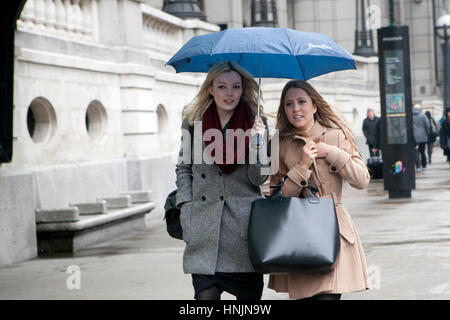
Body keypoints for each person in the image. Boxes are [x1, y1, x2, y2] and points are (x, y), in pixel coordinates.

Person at [175, 61, 270, 300]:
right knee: (205, 299)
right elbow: (184, 167)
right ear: (210, 89)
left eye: (236, 87)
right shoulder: (193, 120)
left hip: (242, 229)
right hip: (204, 225)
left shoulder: (257, 121)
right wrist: (186, 206)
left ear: (243, 89)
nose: (229, 93)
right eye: (222, 86)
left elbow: (259, 177)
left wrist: (258, 142)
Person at [268, 80, 370, 300]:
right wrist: (302, 166)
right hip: (298, 236)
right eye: (289, 104)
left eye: (302, 102)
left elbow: (361, 180)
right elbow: (276, 196)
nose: (296, 109)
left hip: (334, 232)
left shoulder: (336, 135)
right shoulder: (278, 144)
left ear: (314, 106)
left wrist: (332, 153)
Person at [412, 106, 430, 171]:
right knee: (422, 152)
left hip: (414, 138)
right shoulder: (423, 116)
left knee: (416, 152)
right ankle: (424, 165)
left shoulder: (410, 117)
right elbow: (428, 125)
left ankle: (418, 167)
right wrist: (427, 133)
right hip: (423, 137)